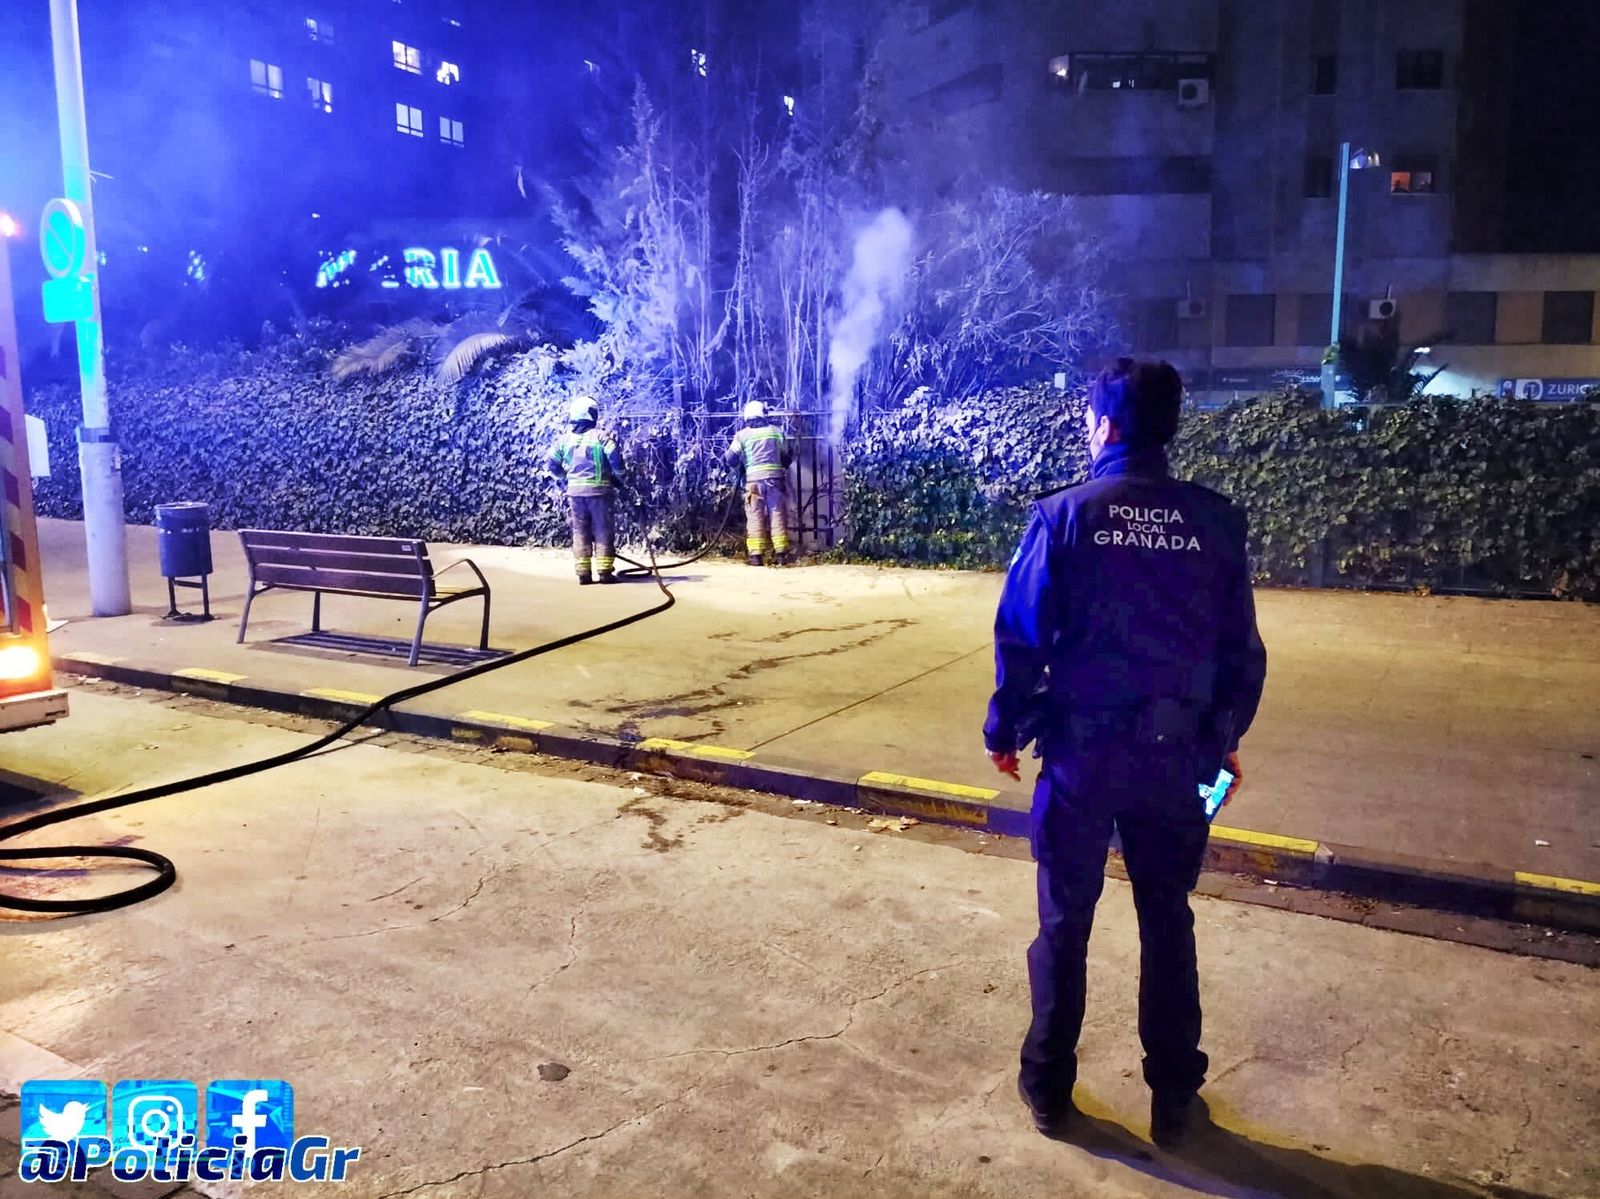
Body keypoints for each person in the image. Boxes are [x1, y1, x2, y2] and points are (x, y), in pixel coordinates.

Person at [983, 359, 1267, 1149]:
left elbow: (1021, 638)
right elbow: (1242, 652)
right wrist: (1224, 743)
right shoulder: (1215, 522)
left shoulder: (1064, 517)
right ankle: (1174, 1095)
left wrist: (1006, 729)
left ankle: (1047, 1085)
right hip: (1182, 764)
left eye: (1088, 418)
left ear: (1104, 426)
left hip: (1080, 760)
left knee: (1064, 921)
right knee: (1168, 918)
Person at [547, 395, 624, 585]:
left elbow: (552, 465)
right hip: (599, 493)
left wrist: (566, 477)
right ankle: (605, 573)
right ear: (591, 414)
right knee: (602, 530)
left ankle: (584, 574)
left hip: (575, 494)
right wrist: (619, 477)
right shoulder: (600, 437)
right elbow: (616, 459)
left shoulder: (563, 441)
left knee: (580, 531)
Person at [726, 400, 794, 566]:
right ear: (763, 414)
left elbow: (730, 458)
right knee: (777, 514)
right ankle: (781, 555)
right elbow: (787, 456)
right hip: (775, 481)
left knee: (755, 515)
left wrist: (741, 463)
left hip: (753, 483)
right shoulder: (776, 432)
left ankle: (756, 556)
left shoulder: (742, 435)